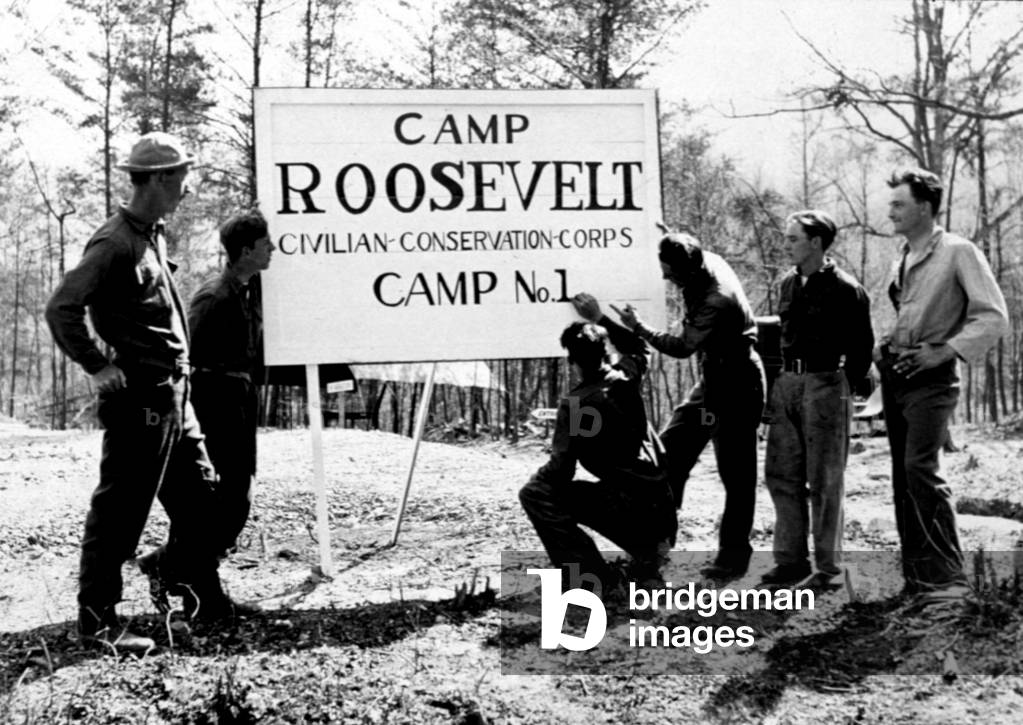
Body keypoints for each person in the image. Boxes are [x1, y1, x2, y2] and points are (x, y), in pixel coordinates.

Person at [45, 132, 227, 652]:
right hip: (141, 397)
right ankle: (98, 622)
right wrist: (97, 365)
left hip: (174, 392)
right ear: (162, 178)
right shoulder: (115, 241)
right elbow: (62, 307)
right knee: (122, 509)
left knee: (200, 494)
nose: (188, 189)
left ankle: (188, 590)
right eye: (183, 177)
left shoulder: (152, 232)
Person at [878, 168, 1008, 603]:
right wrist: (883, 348)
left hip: (933, 378)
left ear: (926, 208)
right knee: (903, 476)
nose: (890, 211)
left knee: (921, 469)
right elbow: (904, 316)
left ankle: (950, 580)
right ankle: (919, 580)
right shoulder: (902, 256)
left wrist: (945, 350)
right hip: (898, 377)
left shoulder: (958, 251)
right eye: (891, 203)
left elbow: (992, 316)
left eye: (899, 204)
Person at [613, 233, 765, 580]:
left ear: (688, 268)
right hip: (714, 377)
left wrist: (638, 327)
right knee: (667, 457)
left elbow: (682, 346)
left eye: (670, 274)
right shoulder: (702, 257)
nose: (666, 278)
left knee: (737, 475)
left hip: (739, 384)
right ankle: (657, 545)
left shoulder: (716, 299)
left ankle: (734, 557)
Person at [519, 293, 677, 593]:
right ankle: (647, 555)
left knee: (535, 494)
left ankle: (591, 579)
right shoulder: (627, 379)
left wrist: (536, 477)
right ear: (605, 354)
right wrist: (600, 318)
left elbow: (560, 471)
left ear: (572, 360)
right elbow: (639, 346)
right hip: (662, 513)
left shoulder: (576, 404)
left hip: (634, 516)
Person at [761, 210, 873, 589]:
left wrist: (844, 391)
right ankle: (790, 561)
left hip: (826, 383)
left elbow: (861, 349)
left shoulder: (846, 289)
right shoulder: (788, 285)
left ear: (816, 243)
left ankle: (828, 567)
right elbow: (779, 338)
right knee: (781, 474)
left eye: (794, 239)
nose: (787, 244)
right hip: (786, 384)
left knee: (824, 479)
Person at [190, 212, 272, 554]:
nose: (273, 249)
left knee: (240, 487)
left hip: (240, 395)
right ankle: (175, 564)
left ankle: (176, 562)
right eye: (266, 244)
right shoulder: (214, 297)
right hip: (214, 397)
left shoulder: (248, 290)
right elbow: (186, 353)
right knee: (226, 488)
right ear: (246, 250)